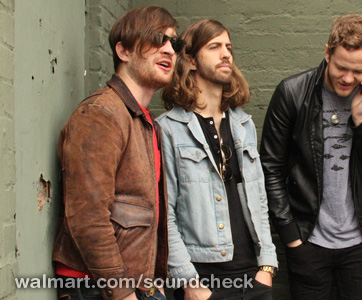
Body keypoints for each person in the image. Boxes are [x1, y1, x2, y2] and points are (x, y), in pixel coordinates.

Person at [260, 14, 362, 300]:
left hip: (360, 244)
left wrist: (361, 120)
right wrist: (291, 236)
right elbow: (270, 167)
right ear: (327, 53)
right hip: (308, 242)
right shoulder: (292, 93)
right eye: (341, 68)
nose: (348, 78)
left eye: (359, 71)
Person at [52, 6, 183, 300]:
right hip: (99, 288)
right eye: (157, 39)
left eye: (175, 43)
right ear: (123, 51)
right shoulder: (100, 114)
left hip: (137, 284)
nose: (170, 50)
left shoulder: (146, 122)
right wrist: (122, 293)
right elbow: (88, 218)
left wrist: (153, 280)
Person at [157, 19, 278, 300]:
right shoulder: (169, 129)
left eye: (228, 47)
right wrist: (189, 282)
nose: (226, 54)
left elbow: (259, 197)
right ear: (191, 59)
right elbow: (166, 214)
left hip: (253, 276)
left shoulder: (243, 124)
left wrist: (267, 266)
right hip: (204, 279)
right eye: (214, 47)